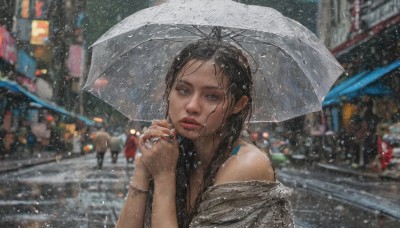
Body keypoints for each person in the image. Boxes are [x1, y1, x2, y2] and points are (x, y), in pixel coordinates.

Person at [116, 39, 294, 227]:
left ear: (238, 104)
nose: (192, 106)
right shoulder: (174, 153)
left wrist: (164, 177)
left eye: (212, 96)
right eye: (183, 90)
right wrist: (143, 169)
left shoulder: (247, 165)